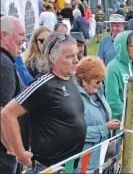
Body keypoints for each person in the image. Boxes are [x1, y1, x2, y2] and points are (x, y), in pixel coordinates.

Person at [1, 33, 86, 172]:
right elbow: (7, 114)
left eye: (76, 55)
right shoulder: (43, 84)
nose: (76, 60)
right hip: (49, 167)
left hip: (72, 166)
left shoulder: (70, 79)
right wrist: (20, 153)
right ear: (53, 58)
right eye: (69, 56)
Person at [75, 56, 120, 171]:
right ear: (84, 79)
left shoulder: (97, 93)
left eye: (102, 80)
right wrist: (104, 128)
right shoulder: (75, 100)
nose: (100, 84)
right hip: (85, 163)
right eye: (98, 81)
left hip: (102, 159)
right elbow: (76, 133)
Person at [105, 31, 133, 141]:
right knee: (121, 157)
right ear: (124, 47)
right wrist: (126, 120)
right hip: (124, 126)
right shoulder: (113, 68)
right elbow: (112, 99)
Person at [0, 16, 28, 173]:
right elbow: (2, 112)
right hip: (4, 155)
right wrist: (13, 152)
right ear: (4, 35)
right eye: (21, 34)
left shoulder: (6, 60)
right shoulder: (3, 64)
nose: (25, 39)